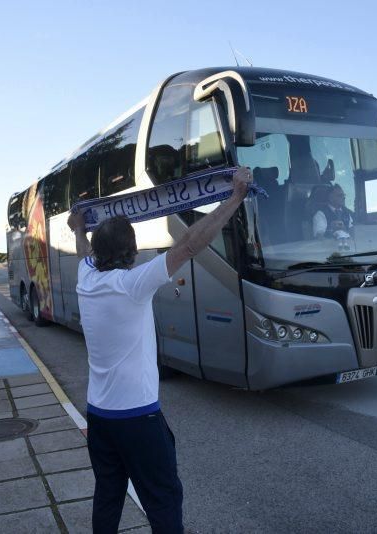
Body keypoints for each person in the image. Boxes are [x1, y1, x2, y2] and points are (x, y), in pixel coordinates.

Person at [67, 167, 252, 533]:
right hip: (137, 419)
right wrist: (235, 198)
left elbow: (84, 251)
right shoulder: (132, 284)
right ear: (131, 253)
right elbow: (189, 245)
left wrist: (77, 227)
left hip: (100, 417)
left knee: (108, 494)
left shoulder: (86, 277)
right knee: (163, 498)